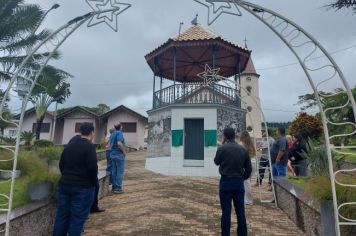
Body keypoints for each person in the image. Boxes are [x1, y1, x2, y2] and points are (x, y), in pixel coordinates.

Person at [53, 123, 98, 236]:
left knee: (62, 216)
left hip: (64, 185)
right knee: (77, 219)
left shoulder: (70, 145)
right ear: (92, 133)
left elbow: (61, 164)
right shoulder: (89, 147)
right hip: (82, 188)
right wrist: (93, 183)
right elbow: (92, 168)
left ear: (80, 132)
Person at [214, 127, 252, 236]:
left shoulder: (222, 148)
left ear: (225, 136)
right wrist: (242, 178)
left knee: (226, 212)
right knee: (240, 211)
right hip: (238, 183)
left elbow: (216, 162)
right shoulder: (243, 149)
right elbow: (248, 169)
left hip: (226, 182)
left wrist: (222, 145)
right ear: (235, 135)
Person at [66, 134, 105, 214]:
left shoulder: (75, 145)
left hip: (76, 176)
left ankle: (93, 206)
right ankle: (88, 209)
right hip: (80, 178)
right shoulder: (84, 145)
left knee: (96, 186)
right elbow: (91, 165)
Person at [239, 131, 256, 205]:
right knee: (247, 181)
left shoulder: (241, 144)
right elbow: (254, 153)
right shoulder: (251, 144)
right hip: (253, 162)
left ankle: (248, 200)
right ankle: (247, 199)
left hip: (246, 164)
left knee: (246, 182)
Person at [110, 123, 127, 194]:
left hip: (112, 154)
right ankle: (118, 188)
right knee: (120, 172)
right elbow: (119, 143)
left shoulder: (113, 133)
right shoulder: (119, 133)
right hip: (119, 155)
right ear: (120, 127)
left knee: (114, 171)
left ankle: (114, 187)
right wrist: (124, 151)